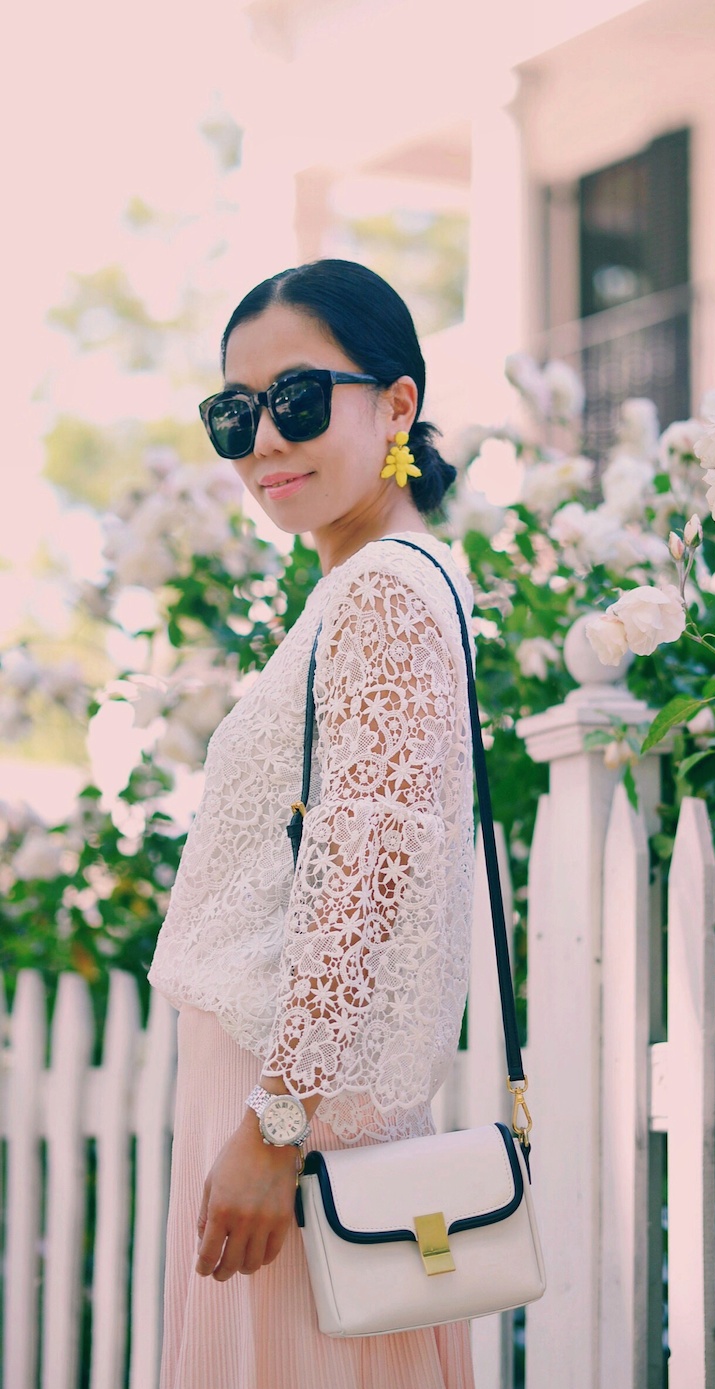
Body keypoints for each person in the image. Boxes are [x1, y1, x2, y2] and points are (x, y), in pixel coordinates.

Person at [147, 259, 477, 1388]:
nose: (263, 444)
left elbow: (367, 866)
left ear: (397, 404)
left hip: (296, 1119)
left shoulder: (384, 588)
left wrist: (274, 1125)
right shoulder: (369, 584)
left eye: (296, 400)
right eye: (234, 415)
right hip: (284, 1101)